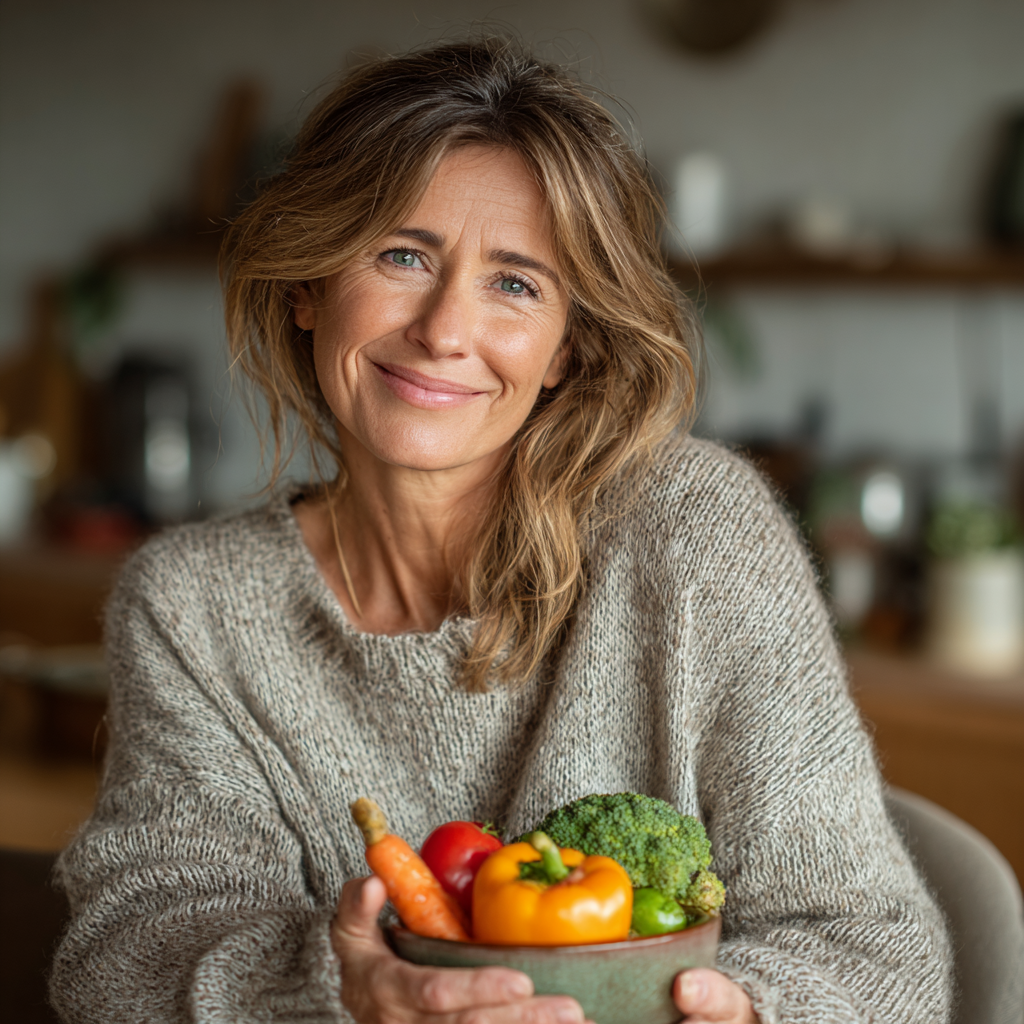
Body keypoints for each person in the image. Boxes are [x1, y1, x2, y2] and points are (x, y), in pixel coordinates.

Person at [51, 38, 951, 1024]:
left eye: (514, 283)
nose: (444, 328)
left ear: (566, 347)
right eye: (402, 255)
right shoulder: (194, 606)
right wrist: (340, 991)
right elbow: (121, 964)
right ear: (307, 283)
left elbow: (875, 948)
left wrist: (740, 1011)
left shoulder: (694, 537)